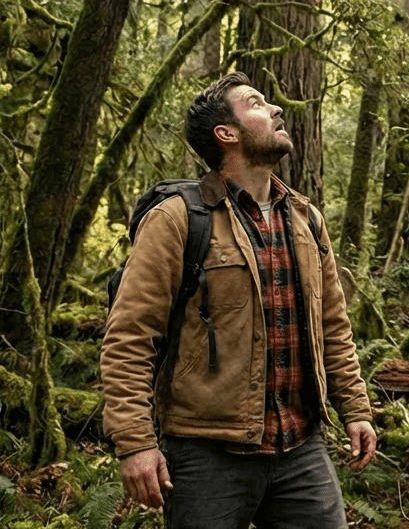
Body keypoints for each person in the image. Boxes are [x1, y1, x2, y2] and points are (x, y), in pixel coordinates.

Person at [101, 71, 376, 529]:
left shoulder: (307, 220)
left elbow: (333, 327)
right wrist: (134, 442)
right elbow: (130, 336)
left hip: (301, 449)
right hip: (206, 454)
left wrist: (356, 410)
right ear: (226, 134)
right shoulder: (176, 219)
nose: (276, 109)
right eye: (256, 104)